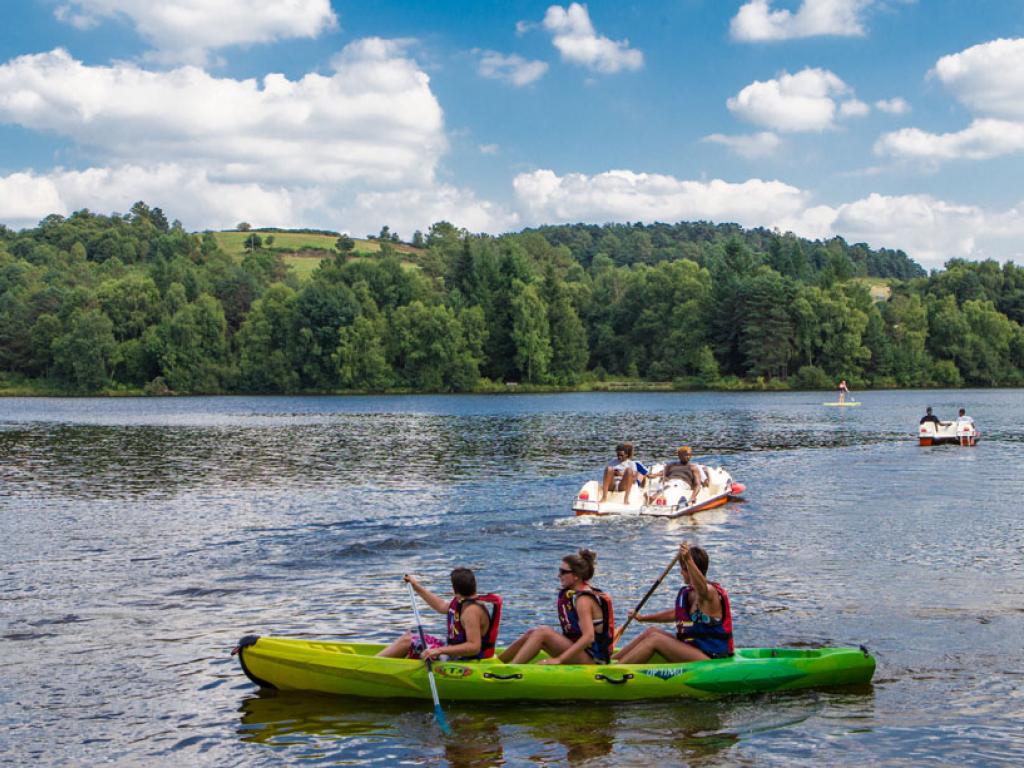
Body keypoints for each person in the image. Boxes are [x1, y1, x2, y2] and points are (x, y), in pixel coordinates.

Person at [613, 542, 733, 664]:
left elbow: (702, 589)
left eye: (683, 569)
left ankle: (613, 672)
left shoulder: (709, 593)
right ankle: (611, 661)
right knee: (652, 631)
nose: (681, 573)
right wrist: (643, 618)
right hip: (695, 648)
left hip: (711, 656)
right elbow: (676, 614)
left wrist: (688, 560)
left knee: (656, 640)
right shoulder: (690, 592)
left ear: (690, 569)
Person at [498, 548, 615, 665]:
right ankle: (496, 663)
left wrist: (559, 659)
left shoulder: (583, 600)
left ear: (576, 576)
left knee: (542, 632)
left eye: (563, 572)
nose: (559, 575)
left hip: (593, 660)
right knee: (532, 632)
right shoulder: (576, 594)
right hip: (583, 652)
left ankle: (510, 671)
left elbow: (588, 637)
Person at [377, 569, 502, 661]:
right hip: (453, 651)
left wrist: (438, 650)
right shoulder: (462, 600)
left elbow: (474, 647)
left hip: (466, 659)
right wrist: (416, 586)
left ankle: (372, 664)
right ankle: (381, 662)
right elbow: (441, 606)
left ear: (454, 590)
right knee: (409, 637)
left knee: (408, 641)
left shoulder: (471, 611)